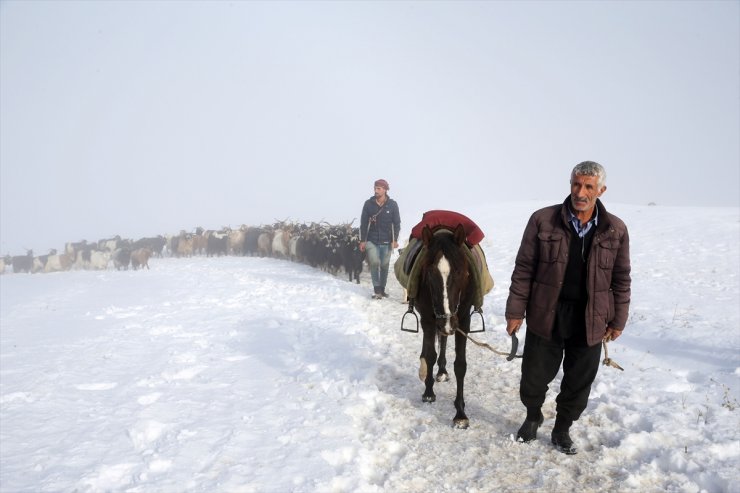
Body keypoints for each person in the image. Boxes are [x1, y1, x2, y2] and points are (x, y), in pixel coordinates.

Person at [505, 161, 631, 455]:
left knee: (578, 382)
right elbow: (524, 268)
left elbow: (621, 278)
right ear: (570, 185)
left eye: (589, 186)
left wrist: (618, 319)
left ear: (601, 190)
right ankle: (532, 416)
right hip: (547, 312)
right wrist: (515, 311)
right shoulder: (543, 220)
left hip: (591, 318)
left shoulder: (615, 229)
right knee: (534, 377)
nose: (581, 192)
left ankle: (562, 429)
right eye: (576, 184)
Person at [360, 179, 401, 299]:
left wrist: (395, 240)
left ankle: (382, 289)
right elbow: (363, 223)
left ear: (385, 190)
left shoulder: (392, 205)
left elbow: (397, 223)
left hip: (387, 241)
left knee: (384, 265)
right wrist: (363, 240)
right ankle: (377, 289)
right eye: (375, 188)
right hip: (371, 240)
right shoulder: (368, 204)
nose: (376, 190)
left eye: (379, 188)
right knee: (374, 262)